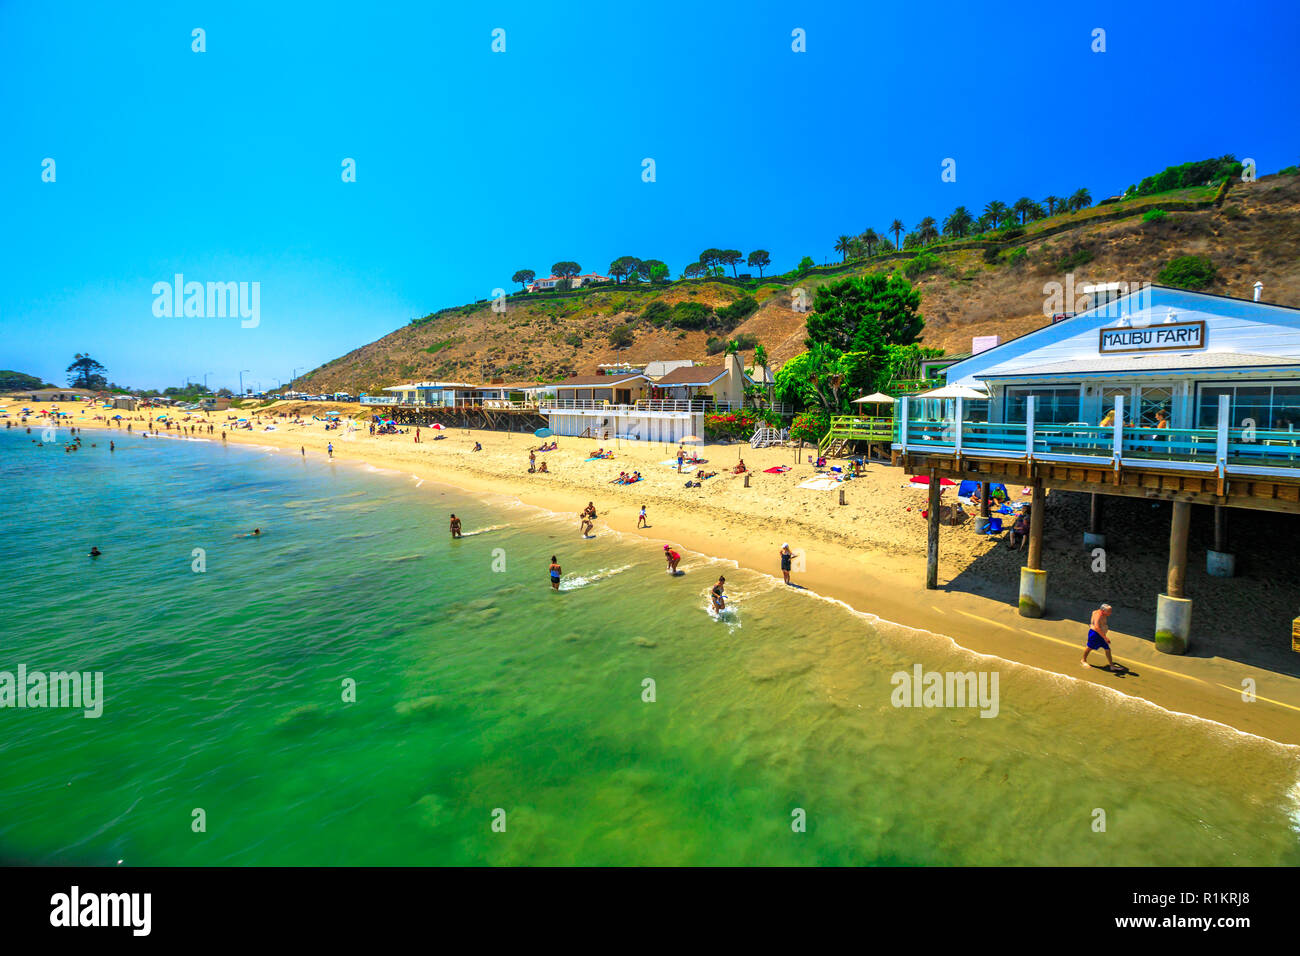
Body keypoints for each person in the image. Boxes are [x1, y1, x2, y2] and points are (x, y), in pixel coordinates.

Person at [1081, 603, 1117, 671]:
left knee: (1107, 649)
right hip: (1095, 634)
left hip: (1101, 634)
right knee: (1089, 647)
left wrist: (1091, 624)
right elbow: (1097, 627)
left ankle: (1112, 666)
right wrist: (1105, 637)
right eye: (1109, 611)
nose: (1110, 613)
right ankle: (1083, 660)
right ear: (1103, 610)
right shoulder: (1098, 615)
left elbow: (1093, 623)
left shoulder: (1099, 612)